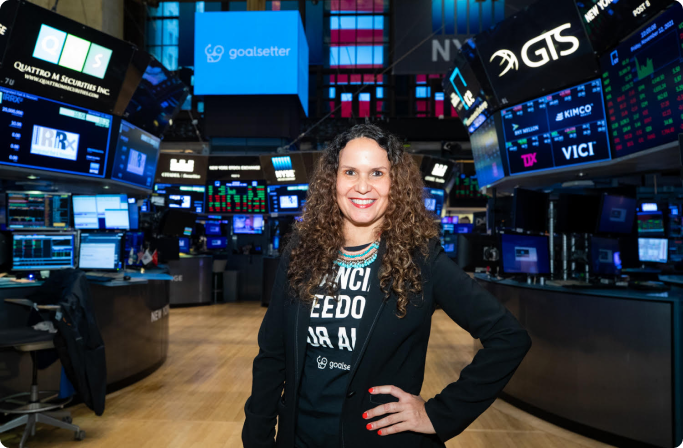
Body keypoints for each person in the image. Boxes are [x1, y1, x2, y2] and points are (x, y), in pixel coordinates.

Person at [243, 124, 531, 448]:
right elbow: (272, 356)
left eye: (377, 173)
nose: (362, 186)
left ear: (395, 183)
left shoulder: (421, 260)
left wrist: (438, 415)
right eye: (350, 172)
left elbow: (509, 337)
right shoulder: (301, 251)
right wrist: (258, 439)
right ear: (333, 181)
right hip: (301, 438)